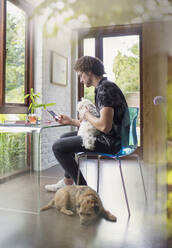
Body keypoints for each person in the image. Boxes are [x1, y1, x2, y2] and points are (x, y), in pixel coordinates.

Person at [45, 56, 130, 192]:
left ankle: (85, 191)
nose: (81, 80)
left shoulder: (105, 89)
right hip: (111, 137)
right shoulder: (104, 87)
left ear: (89, 72)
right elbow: (98, 125)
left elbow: (104, 126)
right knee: (64, 138)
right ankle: (68, 181)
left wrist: (86, 115)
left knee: (57, 147)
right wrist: (71, 121)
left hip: (111, 142)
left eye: (81, 75)